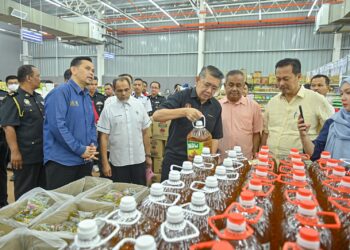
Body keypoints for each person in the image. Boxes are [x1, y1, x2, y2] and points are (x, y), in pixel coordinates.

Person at [153, 65, 224, 181]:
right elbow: (157, 116)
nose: (209, 91)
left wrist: (209, 158)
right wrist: (184, 111)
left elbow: (215, 136)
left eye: (214, 88)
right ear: (197, 79)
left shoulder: (216, 106)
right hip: (176, 161)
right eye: (206, 85)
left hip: (200, 164)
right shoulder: (181, 96)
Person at [261, 58, 334, 159]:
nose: (281, 83)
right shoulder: (272, 102)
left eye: (286, 79)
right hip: (271, 163)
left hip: (299, 165)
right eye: (278, 79)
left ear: (299, 77)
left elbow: (330, 133)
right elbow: (266, 132)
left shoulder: (317, 100)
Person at [44, 56, 98, 189]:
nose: (91, 73)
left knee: (79, 203)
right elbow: (57, 126)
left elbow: (91, 125)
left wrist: (92, 145)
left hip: (84, 160)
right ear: (73, 70)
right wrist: (79, 149)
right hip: (62, 162)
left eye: (93, 70)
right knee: (61, 204)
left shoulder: (86, 96)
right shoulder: (60, 93)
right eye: (87, 68)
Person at [0, 65, 46, 200]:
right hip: (25, 155)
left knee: (41, 190)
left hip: (41, 153)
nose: (40, 79)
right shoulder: (13, 99)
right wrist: (15, 152)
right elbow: (8, 127)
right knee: (25, 191)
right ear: (29, 78)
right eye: (37, 76)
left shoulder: (38, 98)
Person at [97, 77, 152, 185]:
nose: (123, 93)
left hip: (138, 159)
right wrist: (105, 163)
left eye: (126, 90)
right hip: (118, 161)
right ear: (114, 89)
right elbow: (104, 137)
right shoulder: (109, 109)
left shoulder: (139, 105)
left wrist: (148, 155)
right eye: (119, 90)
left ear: (131, 88)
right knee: (120, 194)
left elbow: (145, 132)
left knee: (140, 190)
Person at [298, 77, 350, 161]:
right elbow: (315, 154)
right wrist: (304, 135)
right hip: (334, 173)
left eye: (348, 93)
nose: (343, 98)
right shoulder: (333, 122)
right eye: (341, 94)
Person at [218, 70, 263, 160]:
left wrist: (255, 154)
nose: (234, 89)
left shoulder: (254, 106)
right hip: (222, 160)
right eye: (231, 85)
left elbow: (256, 133)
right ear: (225, 86)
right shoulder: (217, 106)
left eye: (238, 85)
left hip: (245, 159)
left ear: (243, 87)